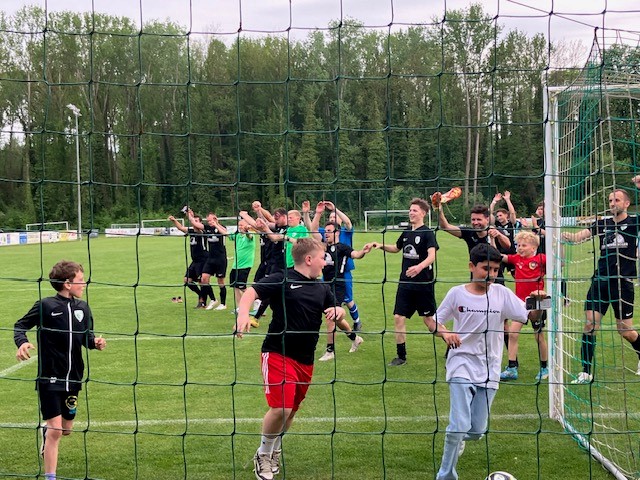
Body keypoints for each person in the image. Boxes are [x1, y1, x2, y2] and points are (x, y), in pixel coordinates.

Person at [426, 244, 545, 480]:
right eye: (485, 269)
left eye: (495, 270)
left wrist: (539, 303)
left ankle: (458, 439)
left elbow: (530, 317)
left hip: (490, 367)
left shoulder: (501, 293)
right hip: (460, 363)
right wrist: (446, 333)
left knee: (476, 431)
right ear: (471, 266)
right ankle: (446, 475)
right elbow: (433, 321)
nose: (490, 274)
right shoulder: (456, 294)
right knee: (458, 424)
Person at [234, 238, 346, 480]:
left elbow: (337, 312)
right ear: (309, 259)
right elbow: (251, 291)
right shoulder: (282, 278)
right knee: (281, 408)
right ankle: (263, 454)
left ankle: (274, 450)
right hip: (277, 351)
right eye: (322, 258)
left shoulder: (322, 288)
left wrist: (340, 311)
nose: (325, 262)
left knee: (291, 411)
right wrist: (243, 314)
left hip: (305, 359)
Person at [14, 260, 107, 480]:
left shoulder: (83, 308)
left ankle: (46, 432)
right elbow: (20, 325)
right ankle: (50, 476)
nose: (84, 283)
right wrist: (22, 342)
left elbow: (87, 337)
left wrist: (95, 342)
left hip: (74, 377)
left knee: (66, 430)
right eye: (80, 279)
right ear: (67, 283)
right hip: (49, 378)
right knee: (56, 431)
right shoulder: (45, 306)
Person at [562, 186, 640, 383]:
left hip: (623, 285)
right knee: (590, 325)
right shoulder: (602, 224)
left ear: (627, 203)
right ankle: (586, 372)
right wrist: (560, 234)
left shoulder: (634, 222)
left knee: (625, 331)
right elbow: (577, 237)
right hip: (600, 282)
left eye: (617, 200)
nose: (612, 203)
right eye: (610, 200)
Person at [371, 198, 438, 366]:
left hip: (423, 285)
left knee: (429, 321)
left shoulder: (427, 233)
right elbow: (396, 248)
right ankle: (401, 356)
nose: (411, 212)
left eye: (415, 210)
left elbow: (432, 256)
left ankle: (451, 342)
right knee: (398, 317)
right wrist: (380, 245)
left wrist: (419, 267)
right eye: (410, 210)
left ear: (423, 213)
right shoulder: (407, 231)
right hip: (405, 283)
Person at [499, 231, 549, 381]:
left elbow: (559, 263)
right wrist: (492, 243)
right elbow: (501, 257)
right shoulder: (516, 259)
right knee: (513, 334)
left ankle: (544, 367)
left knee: (538, 335)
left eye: (524, 245)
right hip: (519, 303)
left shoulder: (541, 259)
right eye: (518, 245)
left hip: (537, 301)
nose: (520, 248)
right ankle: (512, 368)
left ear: (533, 248)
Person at [316, 221, 370, 361]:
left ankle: (330, 351)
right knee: (337, 318)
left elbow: (356, 254)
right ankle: (355, 338)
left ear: (337, 233)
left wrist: (363, 251)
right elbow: (313, 230)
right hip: (325, 285)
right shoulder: (323, 246)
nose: (326, 233)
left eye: (329, 231)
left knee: (331, 316)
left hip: (338, 285)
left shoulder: (342, 247)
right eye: (325, 231)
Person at [307, 200, 364, 331]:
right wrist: (316, 213)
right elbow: (313, 229)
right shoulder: (326, 234)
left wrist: (334, 209)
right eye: (331, 216)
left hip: (344, 270)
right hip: (327, 272)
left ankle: (356, 322)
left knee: (348, 299)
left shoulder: (345, 231)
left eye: (335, 216)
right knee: (324, 299)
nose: (332, 218)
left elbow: (348, 223)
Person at [168, 209, 208, 308]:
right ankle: (201, 295)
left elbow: (195, 227)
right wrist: (174, 220)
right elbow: (181, 228)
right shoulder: (191, 230)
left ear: (201, 223)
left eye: (197, 221)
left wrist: (190, 215)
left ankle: (203, 302)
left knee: (202, 282)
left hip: (202, 260)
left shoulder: (202, 231)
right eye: (195, 221)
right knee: (187, 280)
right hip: (195, 261)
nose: (195, 223)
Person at [191, 212, 228, 310]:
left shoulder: (221, 227)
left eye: (210, 220)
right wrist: (190, 215)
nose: (209, 222)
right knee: (204, 279)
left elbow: (225, 233)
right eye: (208, 221)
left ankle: (223, 304)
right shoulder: (207, 228)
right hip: (210, 258)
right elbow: (195, 224)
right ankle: (213, 299)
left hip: (220, 259)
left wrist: (216, 224)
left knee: (220, 281)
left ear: (215, 219)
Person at [228, 217, 256, 314]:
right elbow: (226, 234)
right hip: (235, 266)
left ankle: (256, 301)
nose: (240, 227)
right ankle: (240, 307)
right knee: (235, 286)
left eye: (242, 225)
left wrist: (247, 230)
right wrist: (216, 224)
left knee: (242, 287)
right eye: (239, 225)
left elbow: (249, 236)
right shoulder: (238, 235)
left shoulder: (250, 235)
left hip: (245, 265)